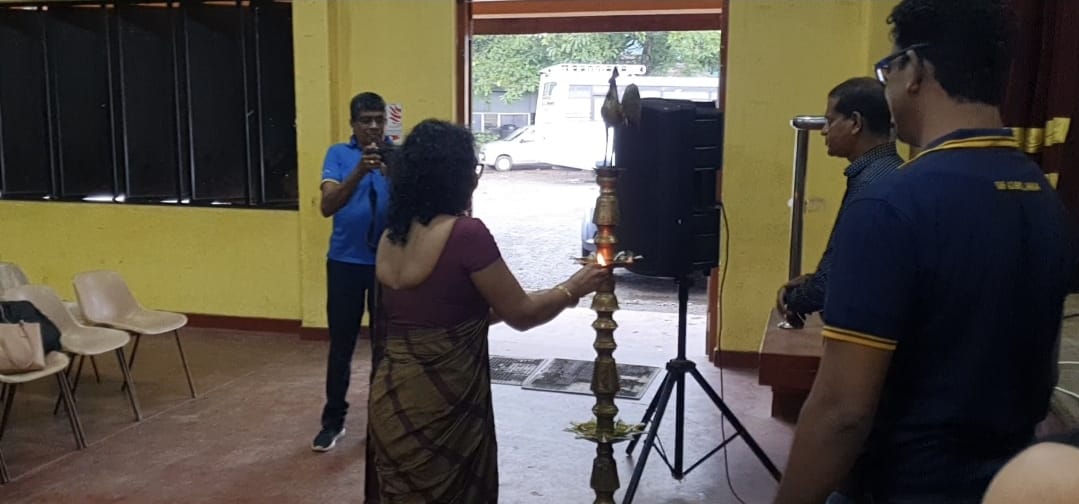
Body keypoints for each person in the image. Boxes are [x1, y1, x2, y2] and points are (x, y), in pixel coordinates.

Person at [774, 1, 1077, 503]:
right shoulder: (1044, 198)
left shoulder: (892, 203)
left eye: (887, 69)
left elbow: (842, 412)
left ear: (913, 69)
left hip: (904, 487)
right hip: (1006, 484)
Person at [369, 119, 610, 503]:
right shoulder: (467, 234)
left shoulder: (390, 235)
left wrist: (538, 295)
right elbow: (522, 314)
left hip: (393, 402)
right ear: (455, 176)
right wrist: (573, 287)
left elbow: (452, 313)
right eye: (472, 170)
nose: (476, 180)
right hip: (440, 407)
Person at [776, 77, 903, 325]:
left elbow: (835, 279)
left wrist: (796, 298)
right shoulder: (889, 172)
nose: (824, 130)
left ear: (855, 122)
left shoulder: (871, 186)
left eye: (831, 121)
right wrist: (813, 281)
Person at [312, 91, 392, 455]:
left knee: (384, 347)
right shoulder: (338, 155)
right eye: (366, 120)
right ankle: (333, 422)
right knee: (341, 346)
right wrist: (360, 170)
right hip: (345, 264)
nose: (374, 127)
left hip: (387, 266)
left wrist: (394, 172)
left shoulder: (398, 156)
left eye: (379, 119)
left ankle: (382, 422)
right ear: (353, 124)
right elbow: (327, 206)